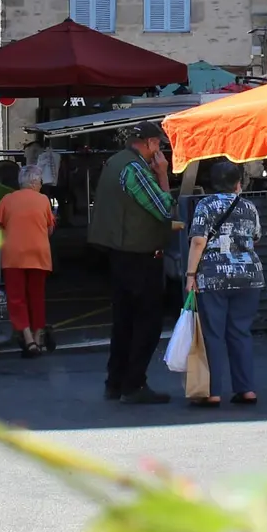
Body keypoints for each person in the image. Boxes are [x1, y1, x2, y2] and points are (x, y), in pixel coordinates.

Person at [88, 122, 176, 405]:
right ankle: (134, 383)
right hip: (139, 255)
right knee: (146, 323)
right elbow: (164, 208)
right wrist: (163, 175)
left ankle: (115, 382)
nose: (160, 151)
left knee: (124, 322)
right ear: (149, 143)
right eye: (159, 145)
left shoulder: (116, 161)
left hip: (119, 252)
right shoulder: (136, 169)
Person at [184, 160, 264, 408]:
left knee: (213, 334)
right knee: (241, 332)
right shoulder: (249, 206)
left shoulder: (205, 205)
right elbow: (256, 238)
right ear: (238, 183)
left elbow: (198, 241)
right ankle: (246, 388)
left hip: (214, 276)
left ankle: (213, 391)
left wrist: (190, 274)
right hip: (248, 276)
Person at [0, 169, 55, 357]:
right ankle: (37, 336)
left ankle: (27, 338)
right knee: (36, 296)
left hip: (14, 255)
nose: (41, 184)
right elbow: (50, 229)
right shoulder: (43, 200)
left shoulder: (7, 199)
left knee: (16, 298)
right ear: (34, 182)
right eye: (40, 180)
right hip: (39, 254)